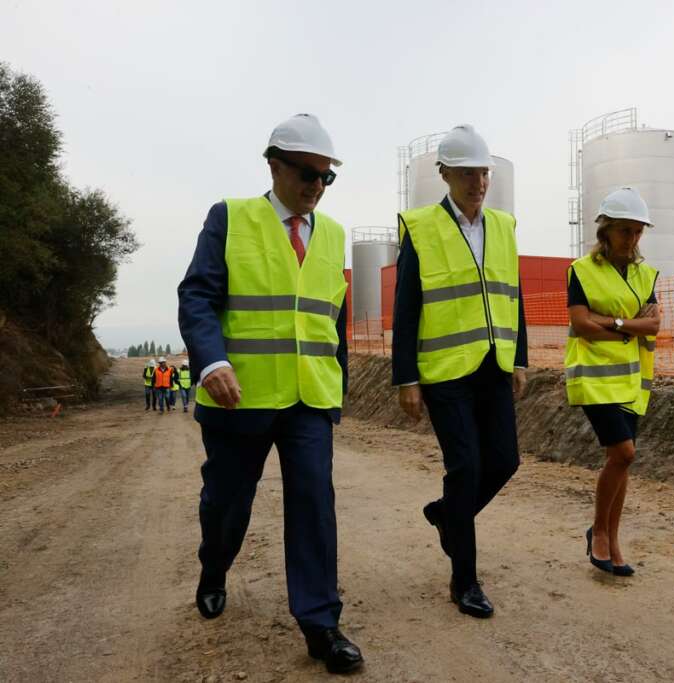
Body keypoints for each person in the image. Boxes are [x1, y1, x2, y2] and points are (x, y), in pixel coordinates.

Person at [177, 113, 362, 674]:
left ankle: (321, 624)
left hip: (309, 399)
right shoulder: (230, 218)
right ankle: (215, 566)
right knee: (228, 504)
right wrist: (211, 361)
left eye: (326, 177)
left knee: (314, 503)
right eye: (307, 173)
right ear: (274, 166)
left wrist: (339, 389)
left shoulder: (330, 233)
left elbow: (334, 317)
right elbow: (197, 296)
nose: (315, 186)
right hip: (240, 397)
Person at [391, 124, 527, 619]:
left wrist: (520, 358)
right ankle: (464, 580)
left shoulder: (504, 227)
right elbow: (406, 309)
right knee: (465, 467)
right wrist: (406, 378)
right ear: (445, 174)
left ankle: (449, 516)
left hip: (493, 365)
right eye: (467, 173)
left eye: (484, 172)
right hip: (444, 371)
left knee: (506, 461)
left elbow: (514, 297)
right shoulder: (422, 228)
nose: (478, 182)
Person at [564, 187, 660, 577]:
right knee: (624, 454)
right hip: (593, 377)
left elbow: (654, 324)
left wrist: (612, 322)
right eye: (625, 231)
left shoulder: (645, 274)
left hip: (631, 380)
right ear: (605, 231)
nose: (632, 239)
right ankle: (599, 531)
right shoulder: (581, 271)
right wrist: (628, 328)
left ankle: (611, 538)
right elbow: (581, 325)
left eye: (638, 232)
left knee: (620, 461)